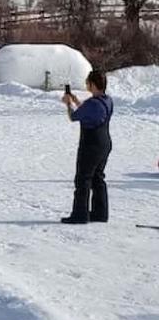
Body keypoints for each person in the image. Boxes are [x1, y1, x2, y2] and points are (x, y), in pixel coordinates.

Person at [61, 70, 114, 224]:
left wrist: (69, 104)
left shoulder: (92, 103)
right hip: (105, 143)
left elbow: (73, 117)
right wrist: (77, 101)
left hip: (91, 144)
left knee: (83, 179)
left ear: (92, 84)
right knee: (98, 178)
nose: (86, 85)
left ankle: (80, 214)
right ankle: (100, 213)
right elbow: (91, 112)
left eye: (87, 83)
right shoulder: (107, 100)